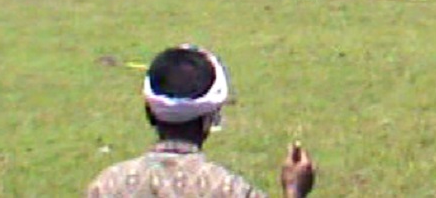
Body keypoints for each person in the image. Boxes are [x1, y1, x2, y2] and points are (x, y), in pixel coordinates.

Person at [86, 44, 315, 197]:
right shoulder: (231, 189)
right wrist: (294, 190)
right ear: (211, 118)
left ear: (150, 112)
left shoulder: (106, 186)